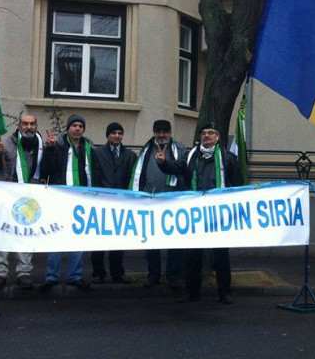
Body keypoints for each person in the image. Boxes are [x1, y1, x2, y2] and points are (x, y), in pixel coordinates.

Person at [157, 121, 242, 304]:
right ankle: (192, 292)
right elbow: (176, 168)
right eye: (204, 133)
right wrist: (163, 163)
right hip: (195, 214)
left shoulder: (228, 159)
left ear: (217, 137)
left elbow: (237, 186)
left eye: (211, 133)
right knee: (193, 255)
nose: (206, 136)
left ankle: (225, 292)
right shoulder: (191, 156)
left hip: (219, 214)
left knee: (221, 255)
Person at [0, 113, 43, 290]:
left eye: (32, 124)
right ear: (19, 125)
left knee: (25, 235)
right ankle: (0, 273)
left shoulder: (40, 145)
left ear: (36, 125)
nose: (29, 127)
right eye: (25, 124)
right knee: (3, 233)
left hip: (28, 199)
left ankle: (23, 272)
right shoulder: (6, 143)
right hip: (6, 196)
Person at [129, 120, 186, 291]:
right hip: (151, 201)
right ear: (154, 132)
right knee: (151, 240)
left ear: (170, 133)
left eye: (165, 132)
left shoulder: (180, 150)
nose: (161, 135)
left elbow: (182, 168)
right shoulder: (146, 150)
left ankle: (173, 275)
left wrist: (164, 163)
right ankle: (153, 274)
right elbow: (139, 175)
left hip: (173, 201)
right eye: (158, 131)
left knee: (174, 241)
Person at [40, 114, 93, 290]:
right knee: (56, 236)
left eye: (80, 125)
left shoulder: (89, 148)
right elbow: (46, 170)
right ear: (68, 128)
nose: (77, 128)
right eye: (74, 125)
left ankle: (74, 275)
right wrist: (49, 149)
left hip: (81, 198)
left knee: (76, 238)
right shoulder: (59, 146)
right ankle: (52, 276)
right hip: (60, 197)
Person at [90, 122, 136, 284]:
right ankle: (98, 272)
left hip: (122, 203)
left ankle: (117, 272)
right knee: (99, 239)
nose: (117, 136)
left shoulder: (130, 155)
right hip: (102, 202)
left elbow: (132, 179)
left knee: (118, 240)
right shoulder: (97, 152)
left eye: (119, 133)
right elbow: (94, 177)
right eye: (113, 133)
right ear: (107, 135)